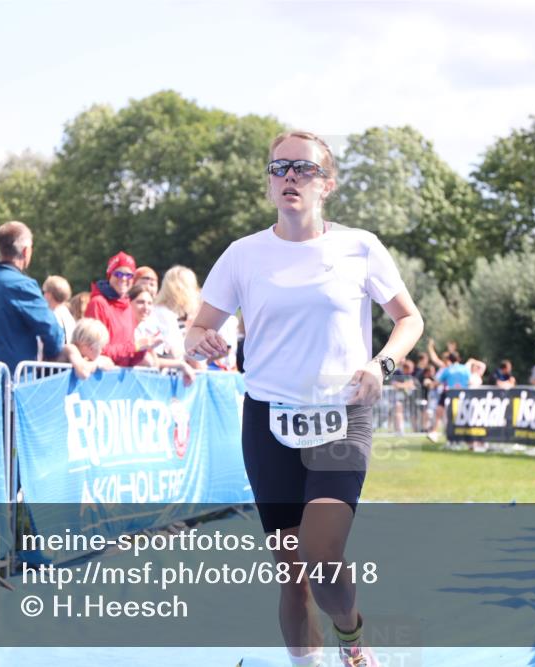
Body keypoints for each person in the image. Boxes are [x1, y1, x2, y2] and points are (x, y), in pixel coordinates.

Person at [185, 130, 423, 667]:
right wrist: (200, 340)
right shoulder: (242, 255)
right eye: (279, 168)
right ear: (269, 183)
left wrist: (380, 364)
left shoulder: (359, 246)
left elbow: (410, 318)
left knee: (322, 555)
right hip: (269, 420)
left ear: (327, 184)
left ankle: (351, 636)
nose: (290, 176)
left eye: (304, 168)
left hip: (342, 415)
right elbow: (197, 329)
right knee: (291, 573)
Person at [0, 221, 94, 377]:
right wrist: (52, 355)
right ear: (26, 251)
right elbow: (51, 330)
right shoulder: (22, 285)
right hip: (14, 381)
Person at [84, 251, 151, 367]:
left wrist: (143, 348)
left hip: (121, 379)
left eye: (129, 275)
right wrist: (135, 347)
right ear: (109, 275)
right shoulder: (98, 304)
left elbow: (128, 359)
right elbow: (93, 349)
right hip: (100, 378)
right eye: (118, 274)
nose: (124, 279)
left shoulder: (128, 306)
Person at [129, 284, 195, 384]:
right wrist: (181, 364)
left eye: (150, 303)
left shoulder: (145, 328)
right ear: (128, 303)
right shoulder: (126, 328)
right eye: (140, 302)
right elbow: (148, 361)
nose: (146, 307)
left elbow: (155, 362)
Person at [427, 351, 471, 443]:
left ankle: (435, 432)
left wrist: (429, 383)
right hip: (463, 395)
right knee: (461, 416)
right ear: (459, 359)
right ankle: (465, 438)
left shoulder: (447, 370)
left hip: (449, 395)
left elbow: (437, 382)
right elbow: (469, 381)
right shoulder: (465, 369)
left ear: (449, 360)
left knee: (442, 413)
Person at [42, 275, 76, 344]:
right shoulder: (68, 316)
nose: (43, 295)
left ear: (49, 294)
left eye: (44, 292)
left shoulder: (50, 316)